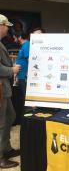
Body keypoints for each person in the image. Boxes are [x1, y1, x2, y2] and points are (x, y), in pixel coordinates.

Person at [0, 14, 20, 168]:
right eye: (6, 25)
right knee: (1, 123)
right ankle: (1, 157)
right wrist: (12, 69)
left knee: (10, 116)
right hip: (0, 90)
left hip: (4, 89)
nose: (8, 28)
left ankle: (6, 149)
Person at [15, 31, 30, 112]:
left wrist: (28, 73)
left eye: (15, 37)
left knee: (26, 95)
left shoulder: (26, 45)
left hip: (24, 75)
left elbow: (29, 59)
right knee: (23, 95)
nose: (14, 39)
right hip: (20, 75)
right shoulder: (23, 45)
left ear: (20, 37)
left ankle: (29, 113)